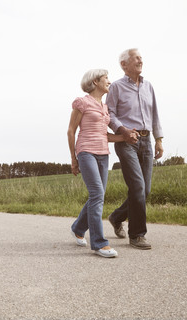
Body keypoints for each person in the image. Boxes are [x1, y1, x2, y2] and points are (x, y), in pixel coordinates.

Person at [67, 69, 138, 258]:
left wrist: (125, 137)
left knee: (97, 195)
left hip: (103, 153)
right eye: (106, 78)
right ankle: (99, 243)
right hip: (86, 152)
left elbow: (104, 135)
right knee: (97, 193)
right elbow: (71, 131)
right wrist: (73, 158)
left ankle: (78, 227)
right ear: (95, 82)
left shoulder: (104, 107)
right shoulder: (82, 102)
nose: (109, 81)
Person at [106, 48, 164, 250]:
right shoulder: (116, 87)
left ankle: (117, 216)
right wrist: (122, 130)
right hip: (126, 141)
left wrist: (159, 139)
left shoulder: (148, 86)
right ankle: (137, 234)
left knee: (144, 190)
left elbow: (154, 113)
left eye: (141, 58)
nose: (141, 60)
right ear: (124, 64)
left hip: (147, 142)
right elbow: (110, 115)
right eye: (136, 58)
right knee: (137, 187)